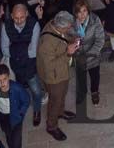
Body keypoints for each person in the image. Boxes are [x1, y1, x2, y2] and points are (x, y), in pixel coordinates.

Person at [36, 11, 79, 141]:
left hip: (61, 72)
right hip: (53, 77)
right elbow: (49, 66)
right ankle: (52, 126)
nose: (70, 29)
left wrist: (72, 40)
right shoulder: (47, 43)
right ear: (60, 26)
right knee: (55, 101)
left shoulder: (55, 24)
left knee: (62, 94)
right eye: (68, 27)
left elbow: (64, 37)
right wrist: (68, 53)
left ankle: (60, 112)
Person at [0, 4, 42, 126]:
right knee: (16, 91)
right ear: (11, 16)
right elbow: (4, 50)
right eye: (16, 18)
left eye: (22, 17)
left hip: (29, 66)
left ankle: (37, 111)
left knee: (36, 91)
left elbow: (33, 52)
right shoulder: (6, 26)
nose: (18, 21)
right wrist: (24, 48)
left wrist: (14, 47)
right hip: (14, 66)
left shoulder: (34, 25)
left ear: (27, 14)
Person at [71, 0, 105, 106]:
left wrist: (88, 56)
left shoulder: (95, 20)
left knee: (94, 76)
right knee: (81, 77)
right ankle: (82, 92)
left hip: (92, 57)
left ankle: (94, 92)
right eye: (79, 12)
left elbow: (100, 40)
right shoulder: (72, 23)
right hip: (78, 57)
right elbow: (68, 37)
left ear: (88, 10)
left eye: (84, 11)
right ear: (75, 12)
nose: (82, 15)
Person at [0, 64, 30, 148]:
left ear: (9, 77)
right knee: (8, 134)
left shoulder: (17, 88)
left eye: (5, 79)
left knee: (16, 140)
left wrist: (20, 113)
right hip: (3, 116)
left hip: (16, 118)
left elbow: (26, 100)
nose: (2, 83)